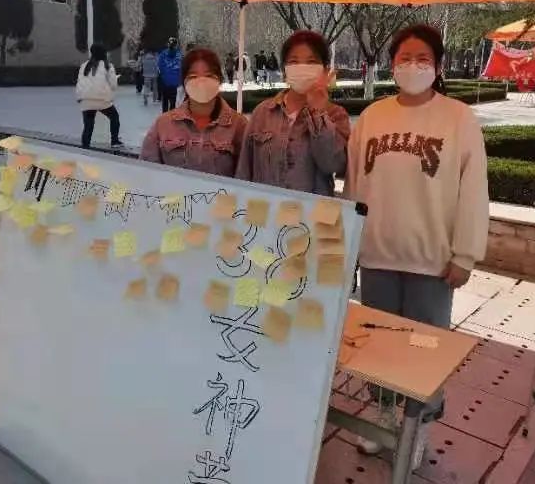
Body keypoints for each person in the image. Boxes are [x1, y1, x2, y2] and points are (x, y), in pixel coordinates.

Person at [345, 24, 489, 462]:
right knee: (378, 344)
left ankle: (419, 427)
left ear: (438, 65)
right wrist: (350, 245)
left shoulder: (458, 118)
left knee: (424, 350)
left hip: (432, 261)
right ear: (392, 64)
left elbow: (474, 191)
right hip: (378, 255)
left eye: (422, 58)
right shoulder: (373, 117)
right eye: (404, 57)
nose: (413, 65)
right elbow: (354, 184)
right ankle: (384, 415)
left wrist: (465, 254)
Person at [236, 30, 349, 196]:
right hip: (264, 209)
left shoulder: (336, 115)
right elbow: (244, 171)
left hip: (311, 212)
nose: (302, 68)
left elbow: (334, 165)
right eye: (294, 61)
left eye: (311, 62)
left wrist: (318, 113)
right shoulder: (262, 113)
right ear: (285, 70)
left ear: (325, 70)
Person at [140, 48, 247, 177]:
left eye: (209, 76)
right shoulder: (163, 124)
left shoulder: (238, 126)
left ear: (219, 80)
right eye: (193, 77)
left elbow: (246, 177)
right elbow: (146, 174)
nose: (201, 82)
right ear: (184, 82)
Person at [75, 43, 123, 149]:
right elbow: (113, 85)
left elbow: (79, 82)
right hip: (102, 99)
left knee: (88, 124)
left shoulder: (84, 66)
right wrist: (115, 79)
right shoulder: (107, 66)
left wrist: (79, 97)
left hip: (86, 99)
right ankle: (114, 141)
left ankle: (85, 145)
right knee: (114, 117)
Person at [158, 37, 182, 113]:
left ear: (168, 44)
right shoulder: (180, 55)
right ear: (176, 45)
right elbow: (182, 67)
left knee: (165, 101)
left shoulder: (163, 54)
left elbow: (160, 66)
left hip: (165, 81)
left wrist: (164, 74)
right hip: (175, 82)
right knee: (173, 102)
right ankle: (172, 116)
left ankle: (165, 115)